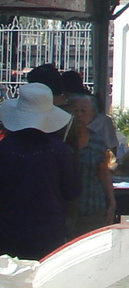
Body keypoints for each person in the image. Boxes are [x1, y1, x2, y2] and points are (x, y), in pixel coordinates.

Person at [0, 83, 81, 260]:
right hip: (48, 234)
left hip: (6, 233)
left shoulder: (3, 149)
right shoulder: (60, 151)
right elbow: (71, 191)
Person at [65, 94, 115, 237]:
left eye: (84, 111)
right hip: (66, 209)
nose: (79, 115)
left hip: (93, 205)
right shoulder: (62, 141)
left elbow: (103, 173)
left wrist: (111, 201)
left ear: (92, 115)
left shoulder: (97, 141)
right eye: (75, 111)